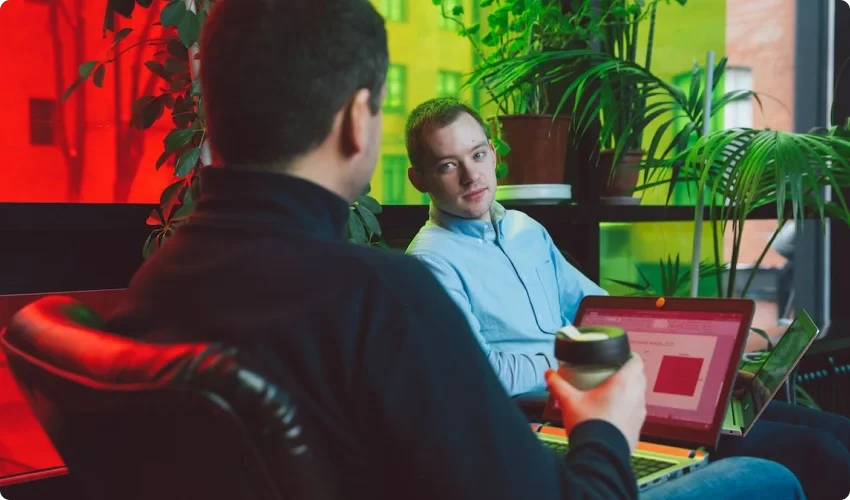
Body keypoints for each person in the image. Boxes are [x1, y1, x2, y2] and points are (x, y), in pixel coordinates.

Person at [105, 2, 804, 499]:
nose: (469, 174)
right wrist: (603, 430)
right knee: (775, 474)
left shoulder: (153, 289)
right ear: (357, 121)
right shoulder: (386, 294)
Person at [403, 96, 850, 499]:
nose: (471, 175)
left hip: (609, 391)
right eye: (448, 165)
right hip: (556, 421)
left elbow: (598, 309)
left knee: (837, 431)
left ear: (493, 153)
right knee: (821, 453)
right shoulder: (430, 262)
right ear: (419, 179)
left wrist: (701, 358)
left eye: (478, 154)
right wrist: (585, 358)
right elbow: (484, 374)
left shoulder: (525, 229)